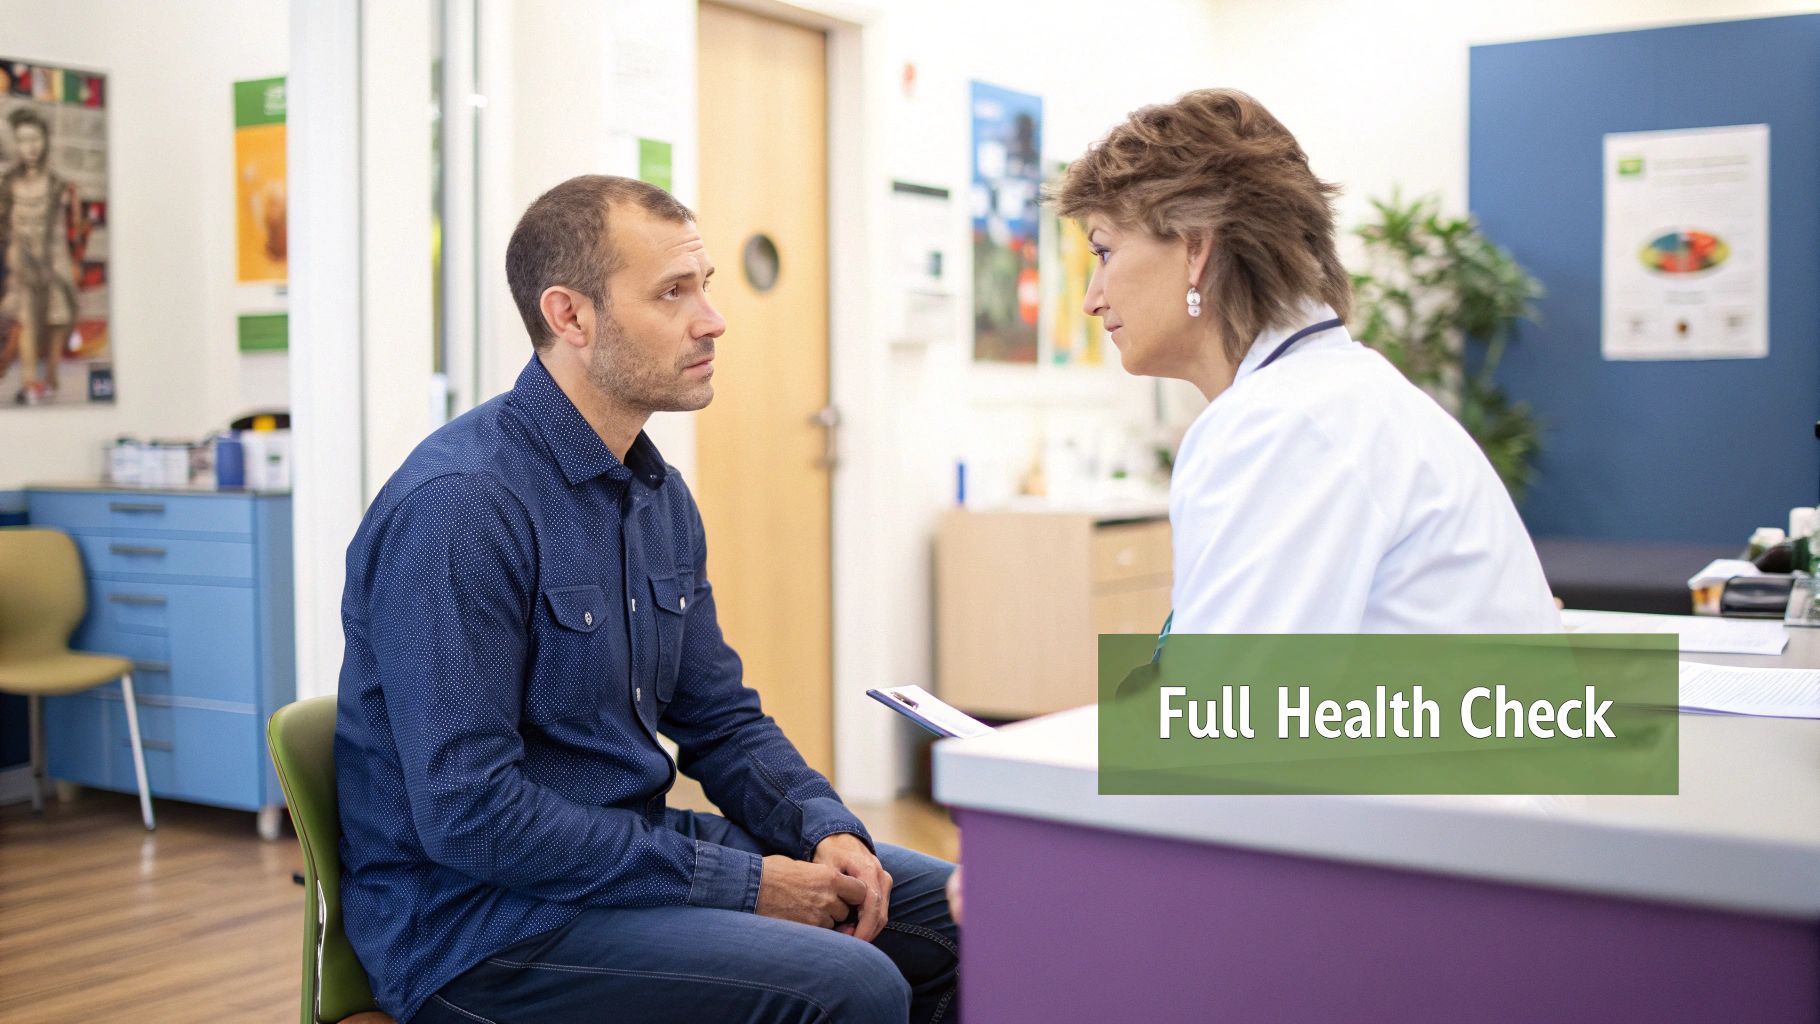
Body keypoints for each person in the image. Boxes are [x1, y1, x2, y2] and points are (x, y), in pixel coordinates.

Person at [336, 175, 958, 1024]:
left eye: (705, 285)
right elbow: (470, 814)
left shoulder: (655, 494)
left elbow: (720, 718)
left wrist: (822, 828)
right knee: (853, 986)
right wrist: (746, 883)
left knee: (969, 912)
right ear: (571, 317)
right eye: (674, 292)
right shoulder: (460, 507)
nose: (712, 318)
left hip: (624, 864)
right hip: (480, 928)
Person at [1051, 89, 1559, 635]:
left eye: (1104, 252)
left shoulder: (1280, 425)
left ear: (1196, 248)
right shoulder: (1340, 394)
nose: (1092, 298)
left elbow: (1230, 707)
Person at [0, 107, 82, 405]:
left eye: (35, 139)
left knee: (58, 314)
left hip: (53, 254)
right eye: (23, 140)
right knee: (24, 316)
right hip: (21, 256)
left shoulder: (58, 182)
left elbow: (75, 223)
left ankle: (52, 376)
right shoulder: (8, 183)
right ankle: (29, 379)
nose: (30, 147)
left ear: (45, 140)